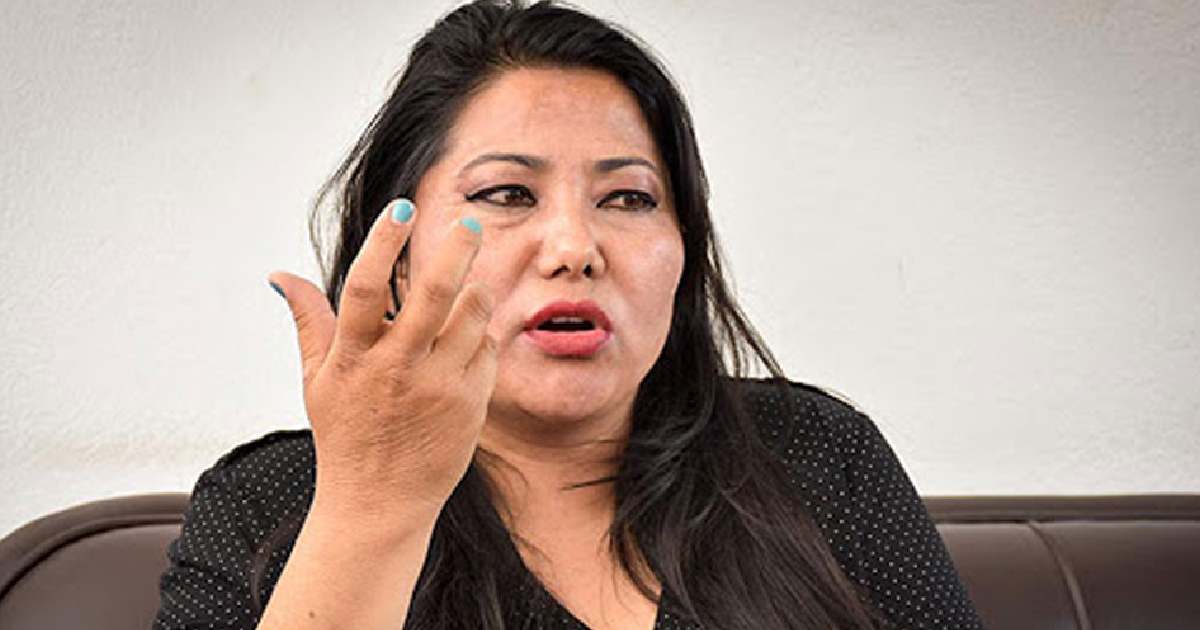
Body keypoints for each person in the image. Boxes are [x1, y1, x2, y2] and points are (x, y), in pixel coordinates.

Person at [153, 1, 983, 628]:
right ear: (398, 250)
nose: (575, 248)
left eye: (628, 198)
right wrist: (372, 506)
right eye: (508, 193)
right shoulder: (267, 503)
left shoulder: (818, 454)